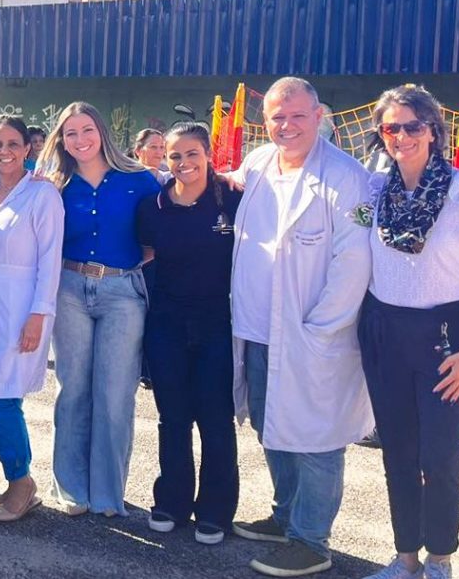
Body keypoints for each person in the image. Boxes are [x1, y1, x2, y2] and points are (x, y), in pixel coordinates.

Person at [230, 77, 373, 578]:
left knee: (316, 437)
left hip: (312, 335)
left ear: (318, 116)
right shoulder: (258, 163)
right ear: (265, 121)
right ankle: (285, 515)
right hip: (256, 328)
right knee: (271, 425)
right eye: (277, 117)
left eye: (297, 116)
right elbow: (223, 181)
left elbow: (354, 263)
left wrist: (321, 328)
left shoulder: (346, 178)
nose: (286, 126)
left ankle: (311, 540)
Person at [358, 85, 459, 579]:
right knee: (397, 451)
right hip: (384, 332)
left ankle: (440, 559)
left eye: (412, 126)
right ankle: (405, 558)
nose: (401, 136)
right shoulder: (375, 190)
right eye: (390, 128)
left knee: (439, 456)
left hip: (448, 335)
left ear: (433, 130)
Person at [41, 102, 160, 518]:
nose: (80, 140)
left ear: (102, 132)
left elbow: (158, 234)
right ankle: (70, 488)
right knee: (72, 390)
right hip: (69, 289)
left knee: (115, 396)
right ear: (62, 140)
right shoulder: (54, 185)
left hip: (122, 292)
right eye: (71, 133)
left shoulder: (139, 179)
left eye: (87, 130)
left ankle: (108, 494)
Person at [136, 121, 242, 545]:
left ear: (208, 155)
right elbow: (146, 257)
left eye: (192, 154)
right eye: (175, 156)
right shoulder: (153, 207)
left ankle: (215, 510)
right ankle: (172, 501)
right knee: (173, 417)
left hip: (218, 322)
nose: (184, 163)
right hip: (166, 323)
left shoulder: (232, 198)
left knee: (216, 419)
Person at [0, 115, 63, 522]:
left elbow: (50, 261)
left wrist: (39, 314)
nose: (4, 151)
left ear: (27, 148)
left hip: (21, 305)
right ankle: (16, 483)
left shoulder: (42, 194)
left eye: (13, 144)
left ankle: (22, 483)